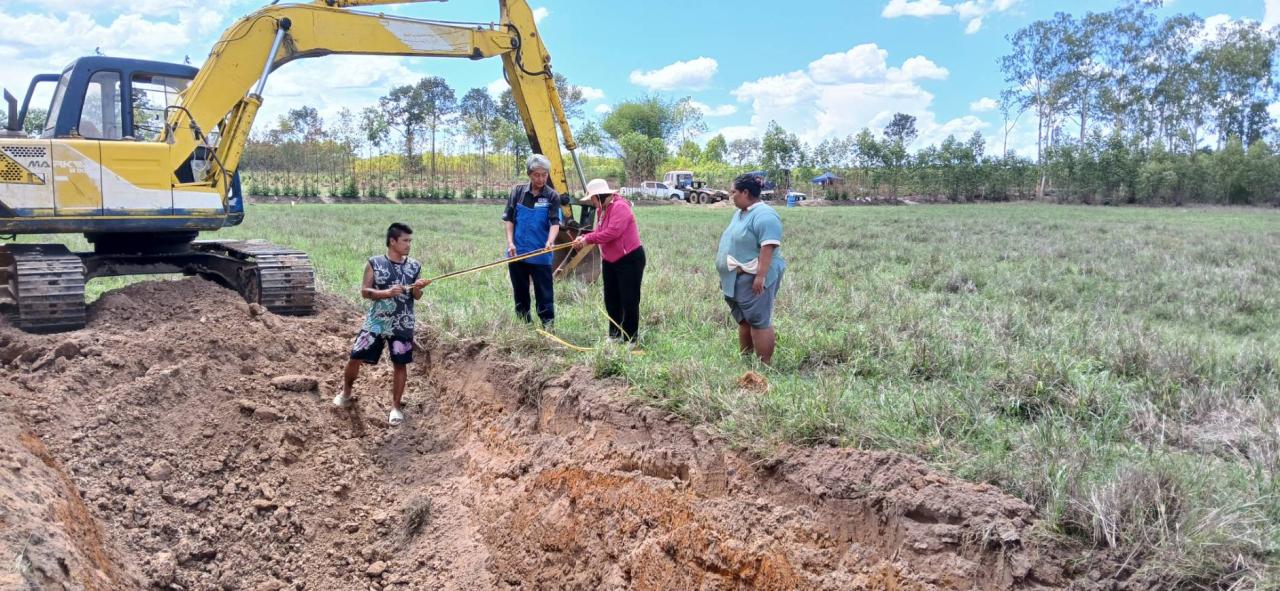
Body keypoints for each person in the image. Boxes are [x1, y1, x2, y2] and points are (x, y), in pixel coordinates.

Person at [333, 222, 431, 426]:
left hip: (402, 323)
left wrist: (419, 287)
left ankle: (396, 407)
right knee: (355, 356)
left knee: (400, 364)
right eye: (405, 241)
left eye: (410, 241)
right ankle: (346, 392)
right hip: (376, 322)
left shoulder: (414, 266)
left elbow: (417, 296)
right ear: (392, 241)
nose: (408, 245)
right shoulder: (374, 263)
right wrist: (386, 293)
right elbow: (365, 292)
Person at [715, 174, 786, 365]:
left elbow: (768, 246)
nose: (731, 196)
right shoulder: (741, 213)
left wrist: (760, 276)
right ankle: (745, 361)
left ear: (746, 192)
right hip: (736, 277)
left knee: (758, 320)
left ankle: (765, 366)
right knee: (745, 320)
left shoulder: (765, 215)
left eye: (733, 192)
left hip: (754, 277)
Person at [571, 179, 645, 343]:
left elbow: (612, 232)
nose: (591, 201)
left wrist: (587, 239)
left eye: (592, 198)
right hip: (610, 260)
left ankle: (630, 338)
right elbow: (600, 232)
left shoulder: (620, 207)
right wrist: (583, 239)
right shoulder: (601, 209)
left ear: (599, 196)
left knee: (629, 299)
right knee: (611, 298)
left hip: (629, 259)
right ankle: (614, 334)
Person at [502, 154, 562, 326]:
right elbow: (510, 220)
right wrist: (510, 243)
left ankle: (547, 326)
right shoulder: (518, 192)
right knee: (520, 292)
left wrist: (550, 241)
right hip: (517, 252)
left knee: (544, 293)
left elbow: (554, 223)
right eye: (537, 175)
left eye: (544, 175)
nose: (541, 179)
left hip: (541, 254)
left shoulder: (552, 197)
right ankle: (524, 324)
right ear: (529, 174)